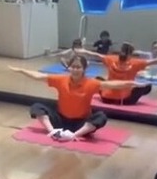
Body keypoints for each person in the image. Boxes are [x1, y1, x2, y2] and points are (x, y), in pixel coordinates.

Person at [10, 56, 142, 141]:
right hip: (61, 121)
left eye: (78, 67)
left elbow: (111, 84)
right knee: (37, 107)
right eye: (73, 67)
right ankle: (53, 132)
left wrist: (131, 83)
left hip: (80, 124)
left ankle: (74, 135)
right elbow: (39, 76)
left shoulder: (91, 83)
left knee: (101, 116)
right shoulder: (61, 80)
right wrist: (21, 70)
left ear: (84, 69)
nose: (75, 70)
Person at [78, 43, 157, 105]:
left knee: (98, 80)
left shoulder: (111, 59)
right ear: (131, 54)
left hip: (106, 98)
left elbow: (95, 55)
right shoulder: (135, 62)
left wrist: (83, 51)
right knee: (147, 86)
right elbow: (155, 61)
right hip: (126, 100)